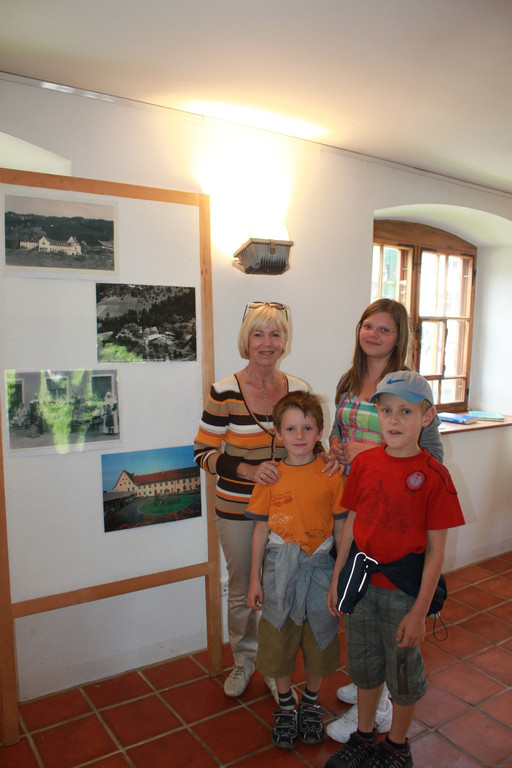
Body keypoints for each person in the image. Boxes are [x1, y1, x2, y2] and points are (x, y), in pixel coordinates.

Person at [194, 302, 337, 699]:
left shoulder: (297, 387)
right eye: (258, 334)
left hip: (292, 511)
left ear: (285, 341)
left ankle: (276, 668)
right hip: (239, 510)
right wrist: (248, 471)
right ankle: (244, 660)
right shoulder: (224, 391)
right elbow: (202, 452)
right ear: (246, 340)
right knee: (244, 588)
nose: (267, 343)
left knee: (281, 590)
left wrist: (326, 459)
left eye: (275, 334)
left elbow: (311, 439)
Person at [325, 371, 465, 768]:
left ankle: (398, 747)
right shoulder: (365, 464)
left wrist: (420, 612)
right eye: (386, 411)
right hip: (362, 584)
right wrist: (338, 578)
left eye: (406, 411)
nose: (394, 420)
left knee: (402, 671)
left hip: (403, 590)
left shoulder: (434, 476)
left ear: (426, 417)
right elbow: (352, 523)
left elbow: (436, 552)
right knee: (365, 665)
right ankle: (364, 735)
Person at [326, 299, 443, 743]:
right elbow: (339, 429)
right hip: (353, 502)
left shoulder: (410, 389)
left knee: (388, 605)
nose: (373, 334)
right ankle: (368, 682)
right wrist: (337, 447)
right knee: (358, 597)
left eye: (384, 329)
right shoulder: (348, 380)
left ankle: (382, 708)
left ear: (399, 338)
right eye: (367, 326)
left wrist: (370, 453)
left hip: (392, 513)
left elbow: (433, 456)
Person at [246, 391, 346, 749]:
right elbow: (260, 531)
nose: (299, 435)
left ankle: (312, 702)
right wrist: (255, 579)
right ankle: (287, 704)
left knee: (320, 637)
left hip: (321, 568)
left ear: (319, 431)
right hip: (279, 571)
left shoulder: (331, 475)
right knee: (278, 638)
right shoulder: (270, 477)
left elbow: (341, 529)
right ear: (277, 432)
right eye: (290, 428)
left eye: (307, 428)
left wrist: (338, 578)